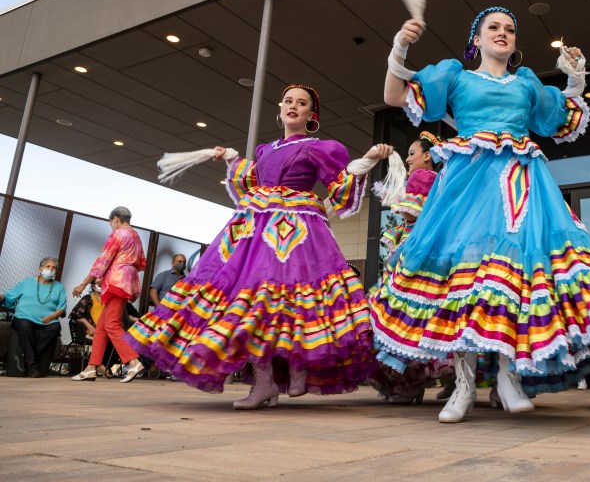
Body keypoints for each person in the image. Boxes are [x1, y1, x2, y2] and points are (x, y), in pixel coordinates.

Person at [371, 7, 590, 423]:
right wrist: (400, 46)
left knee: (513, 277)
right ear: (476, 39)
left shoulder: (526, 84)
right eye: (493, 27)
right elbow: (393, 96)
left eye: (510, 29)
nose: (503, 33)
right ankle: (464, 383)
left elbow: (560, 117)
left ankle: (509, 379)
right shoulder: (456, 76)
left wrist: (577, 77)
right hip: (466, 185)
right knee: (465, 279)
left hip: (521, 182)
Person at [127, 84, 388, 409]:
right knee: (251, 304)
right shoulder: (265, 150)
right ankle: (264, 381)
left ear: (311, 115)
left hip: (297, 233)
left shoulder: (320, 148)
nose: (293, 106)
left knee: (289, 299)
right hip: (252, 232)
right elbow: (253, 181)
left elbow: (339, 187)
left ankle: (297, 367)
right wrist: (233, 161)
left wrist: (365, 161)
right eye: (288, 101)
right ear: (280, 110)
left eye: (301, 103)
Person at [369, 131, 454, 404]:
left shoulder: (422, 177)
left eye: (412, 153)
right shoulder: (443, 180)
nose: (407, 159)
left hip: (415, 249)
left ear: (427, 157)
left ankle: (410, 385)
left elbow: (409, 212)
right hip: (436, 251)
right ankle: (453, 379)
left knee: (402, 316)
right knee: (434, 313)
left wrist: (397, 198)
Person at [70, 206, 147, 383]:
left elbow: (103, 260)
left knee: (111, 324)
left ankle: (133, 361)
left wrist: (83, 284)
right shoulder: (136, 236)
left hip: (116, 282)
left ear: (116, 219)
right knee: (101, 329)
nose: (111, 225)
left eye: (111, 222)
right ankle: (91, 368)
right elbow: (141, 264)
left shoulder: (118, 234)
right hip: (126, 281)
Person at [0, 257, 66, 377]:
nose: (51, 269)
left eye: (54, 268)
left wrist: (52, 317)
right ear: (40, 269)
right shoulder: (27, 282)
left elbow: (62, 307)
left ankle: (26, 355)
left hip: (47, 321)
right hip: (23, 317)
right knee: (25, 325)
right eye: (48, 266)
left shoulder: (59, 287)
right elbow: (8, 295)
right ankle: (31, 364)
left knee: (55, 328)